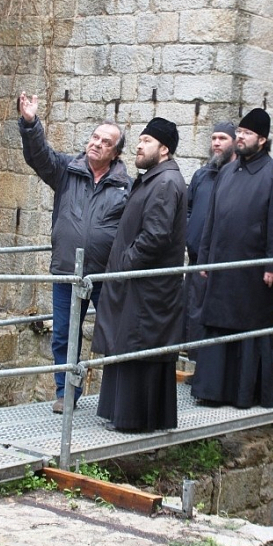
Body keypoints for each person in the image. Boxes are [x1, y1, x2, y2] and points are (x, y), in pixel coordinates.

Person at [18, 92, 131, 413]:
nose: (97, 144)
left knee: (115, 333)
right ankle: (66, 393)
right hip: (68, 270)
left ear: (115, 152)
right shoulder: (67, 170)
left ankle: (118, 395)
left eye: (106, 142)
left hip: (106, 274)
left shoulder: (125, 185)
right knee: (64, 335)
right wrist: (30, 123)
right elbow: (39, 156)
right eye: (95, 137)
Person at [190, 109, 273, 409]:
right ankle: (212, 390)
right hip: (221, 265)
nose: (240, 137)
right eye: (240, 132)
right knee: (217, 325)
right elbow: (211, 220)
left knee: (249, 328)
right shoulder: (226, 172)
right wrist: (205, 259)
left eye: (247, 134)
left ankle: (244, 393)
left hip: (253, 270)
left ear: (262, 139)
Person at [92, 117, 187, 432]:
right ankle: (122, 415)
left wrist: (126, 263)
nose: (139, 145)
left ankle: (133, 420)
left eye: (146, 141)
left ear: (164, 149)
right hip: (139, 283)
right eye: (140, 140)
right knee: (129, 344)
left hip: (146, 285)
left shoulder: (165, 182)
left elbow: (156, 235)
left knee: (138, 346)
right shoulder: (154, 179)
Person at [184, 121, 236, 360]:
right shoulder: (201, 175)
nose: (216, 143)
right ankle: (193, 362)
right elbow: (188, 208)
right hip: (197, 260)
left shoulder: (239, 177)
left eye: (222, 138)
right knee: (192, 313)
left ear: (234, 142)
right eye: (214, 138)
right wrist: (190, 233)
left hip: (223, 263)